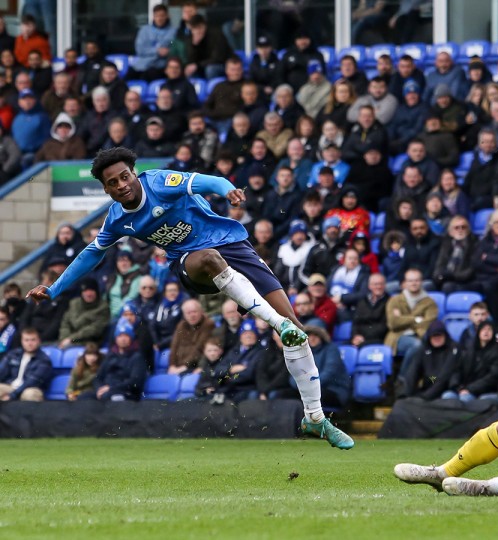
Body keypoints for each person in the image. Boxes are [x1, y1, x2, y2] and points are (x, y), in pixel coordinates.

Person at [26, 148, 352, 449]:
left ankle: (315, 419)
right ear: (107, 190)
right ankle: (275, 321)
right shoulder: (117, 219)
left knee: (296, 333)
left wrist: (228, 191)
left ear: (134, 173)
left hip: (233, 245)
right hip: (192, 264)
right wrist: (53, 288)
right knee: (211, 259)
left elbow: (210, 181)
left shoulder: (161, 182)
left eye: (124, 176)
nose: (121, 185)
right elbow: (89, 254)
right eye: (112, 183)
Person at [79, 319, 146, 401]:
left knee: (110, 397)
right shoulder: (110, 356)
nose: (123, 339)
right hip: (106, 391)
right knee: (84, 397)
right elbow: (98, 378)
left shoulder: (137, 357)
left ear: (131, 338)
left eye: (126, 335)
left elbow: (135, 382)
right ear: (116, 338)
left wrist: (111, 388)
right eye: (120, 336)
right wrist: (99, 389)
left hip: (125, 393)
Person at [385, 268, 438, 358]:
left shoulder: (430, 302)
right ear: (405, 283)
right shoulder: (395, 300)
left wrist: (402, 319)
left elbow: (428, 323)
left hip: (420, 336)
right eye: (410, 281)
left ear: (421, 282)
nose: (413, 283)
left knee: (421, 345)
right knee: (417, 345)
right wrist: (416, 319)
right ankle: (406, 373)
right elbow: (393, 323)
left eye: (416, 280)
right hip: (398, 337)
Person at [0, 328, 51, 402]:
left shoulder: (44, 360)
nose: (30, 343)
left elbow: (32, 381)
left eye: (33, 340)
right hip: (10, 386)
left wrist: (12, 395)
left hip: (30, 389)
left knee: (30, 394)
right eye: (26, 340)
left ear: (39, 341)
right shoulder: (13, 354)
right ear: (22, 341)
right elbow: (1, 372)